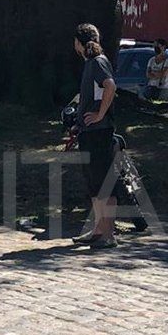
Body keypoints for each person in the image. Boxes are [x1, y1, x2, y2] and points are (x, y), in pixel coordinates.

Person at [71, 23, 120, 249]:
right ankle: (98, 229)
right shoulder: (90, 64)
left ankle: (108, 234)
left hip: (99, 132)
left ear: (79, 42)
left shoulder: (98, 62)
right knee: (94, 183)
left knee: (103, 182)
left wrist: (100, 114)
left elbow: (110, 86)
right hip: (88, 131)